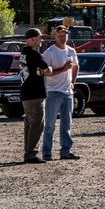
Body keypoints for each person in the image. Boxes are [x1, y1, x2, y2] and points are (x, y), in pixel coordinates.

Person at [40, 25, 80, 160]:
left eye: (65, 35)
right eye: (60, 35)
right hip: (53, 91)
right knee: (50, 124)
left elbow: (76, 66)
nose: (63, 37)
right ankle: (47, 152)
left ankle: (66, 150)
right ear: (54, 36)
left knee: (67, 123)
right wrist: (62, 70)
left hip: (68, 92)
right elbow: (45, 73)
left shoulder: (71, 51)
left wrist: (73, 82)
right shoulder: (49, 52)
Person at [19, 28, 49, 164]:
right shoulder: (35, 54)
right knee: (37, 124)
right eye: (38, 38)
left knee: (29, 125)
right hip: (35, 93)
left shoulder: (23, 53)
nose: (41, 40)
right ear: (32, 39)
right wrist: (43, 71)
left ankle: (28, 152)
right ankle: (31, 154)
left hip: (25, 92)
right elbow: (47, 70)